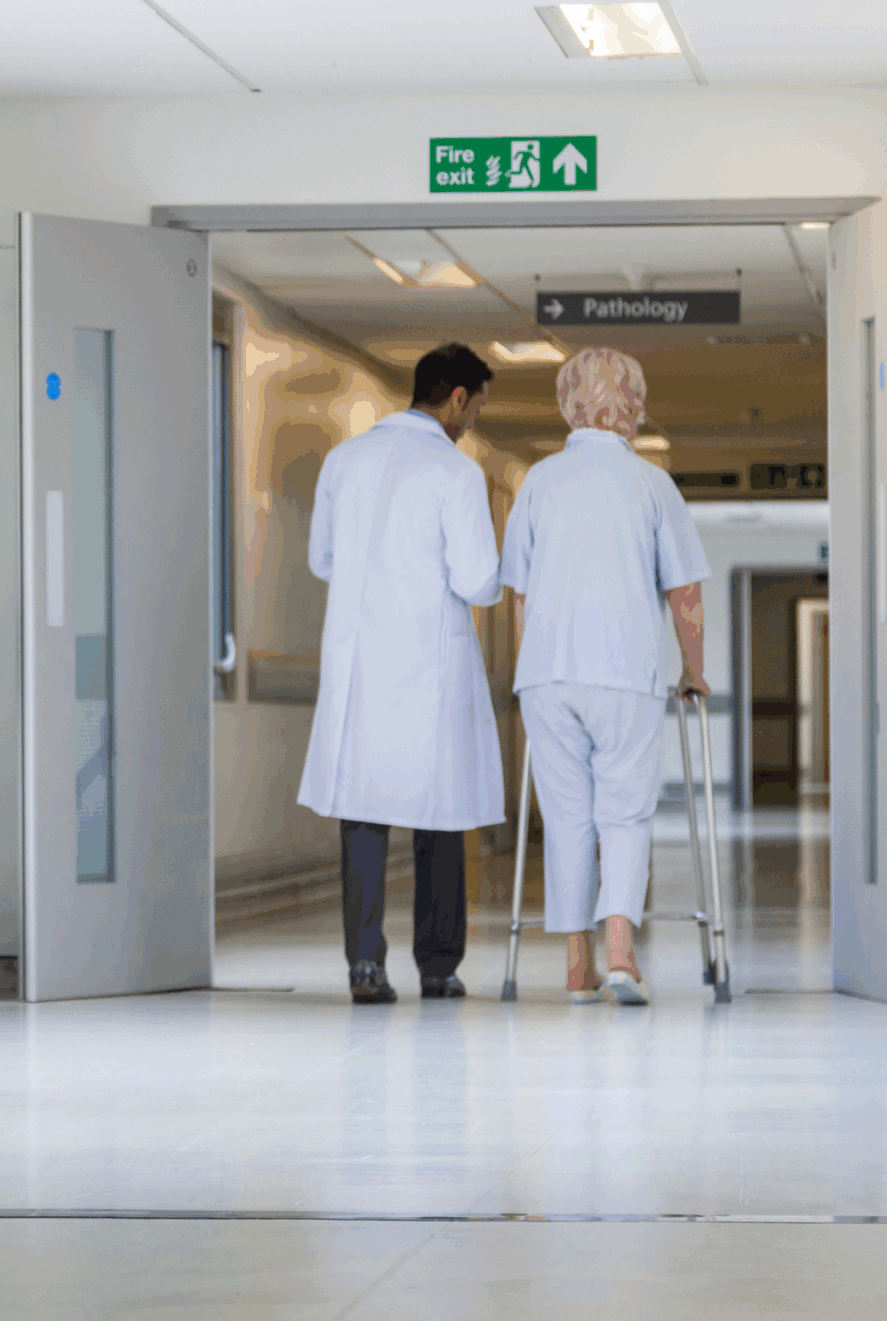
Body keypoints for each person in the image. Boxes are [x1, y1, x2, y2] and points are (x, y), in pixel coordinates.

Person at [499, 346, 710, 1007]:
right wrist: (694, 671)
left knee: (567, 817)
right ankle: (621, 953)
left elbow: (521, 595)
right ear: (635, 407)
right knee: (624, 812)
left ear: (568, 404)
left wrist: (536, 661)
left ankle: (574, 965)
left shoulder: (537, 481)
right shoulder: (652, 485)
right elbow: (685, 594)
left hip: (549, 675)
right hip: (626, 671)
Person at [297, 343, 505, 1004]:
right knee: (437, 819)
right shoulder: (456, 473)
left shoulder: (343, 459)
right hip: (428, 664)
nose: (472, 421)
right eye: (475, 408)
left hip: (361, 661)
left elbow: (323, 560)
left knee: (361, 814)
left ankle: (364, 965)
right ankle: (438, 967)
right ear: (457, 400)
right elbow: (478, 580)